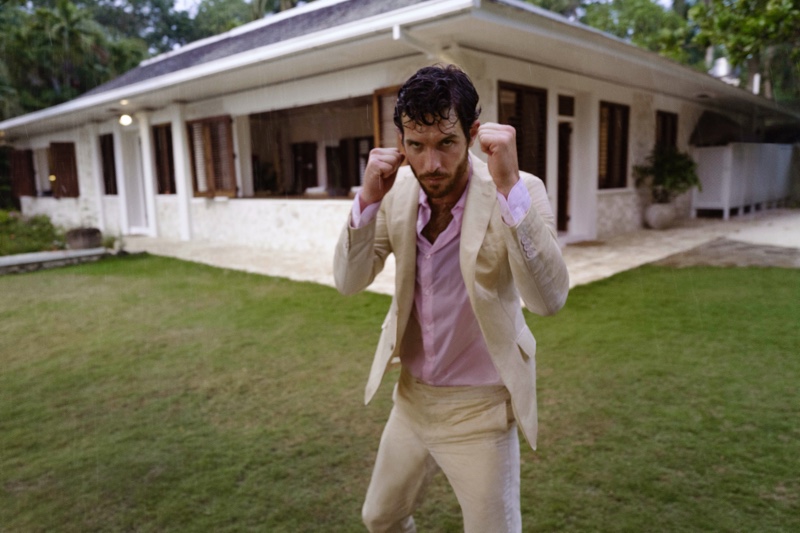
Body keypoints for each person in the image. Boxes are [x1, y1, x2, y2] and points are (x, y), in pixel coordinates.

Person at [333, 64, 569, 532]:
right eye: (415, 146)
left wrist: (508, 188)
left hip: (481, 409)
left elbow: (548, 300)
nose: (431, 164)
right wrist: (366, 199)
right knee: (380, 516)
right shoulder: (396, 195)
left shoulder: (523, 190)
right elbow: (348, 280)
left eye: (446, 143)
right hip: (412, 400)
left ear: (473, 134)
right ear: (401, 142)